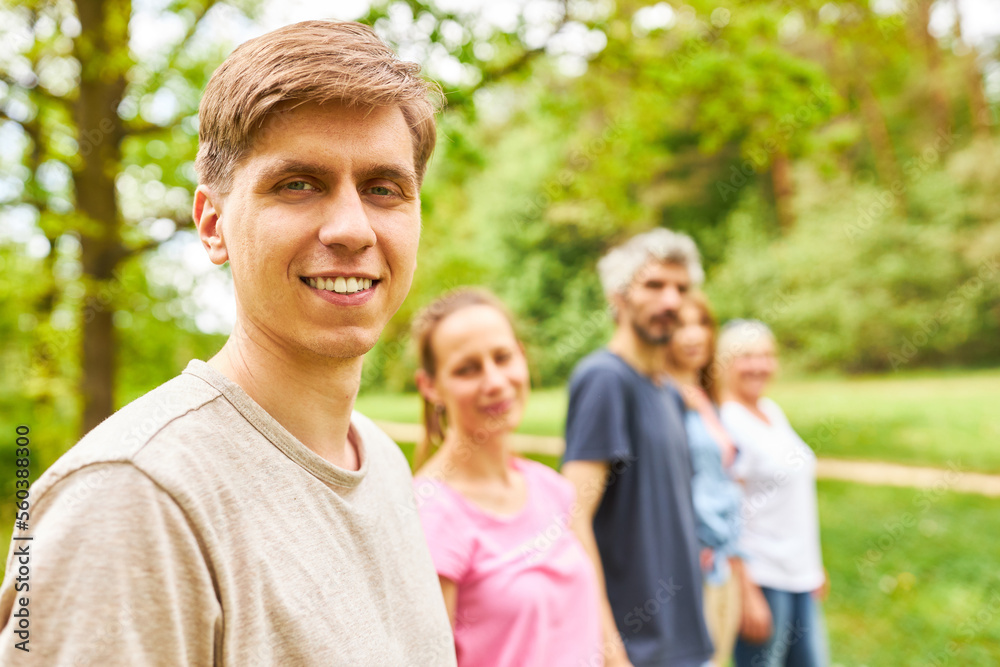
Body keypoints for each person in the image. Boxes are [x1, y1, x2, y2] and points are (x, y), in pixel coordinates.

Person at [0, 21, 456, 665]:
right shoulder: (134, 499)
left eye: (383, 188)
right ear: (212, 224)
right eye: (299, 184)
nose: (353, 228)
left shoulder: (380, 461)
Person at [410, 288, 604, 667]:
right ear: (430, 386)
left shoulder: (552, 488)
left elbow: (597, 622)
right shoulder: (431, 515)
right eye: (468, 368)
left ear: (522, 356)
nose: (495, 381)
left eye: (502, 357)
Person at [562, 228, 715, 667]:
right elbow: (574, 518)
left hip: (685, 641)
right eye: (653, 285)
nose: (670, 301)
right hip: (637, 651)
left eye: (681, 289)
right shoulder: (605, 379)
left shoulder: (667, 390)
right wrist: (612, 652)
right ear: (619, 296)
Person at [717, 320, 829, 667]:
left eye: (767, 355)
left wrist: (814, 566)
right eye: (747, 356)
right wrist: (746, 592)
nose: (759, 365)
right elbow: (726, 514)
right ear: (723, 362)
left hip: (799, 574)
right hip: (762, 577)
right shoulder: (726, 422)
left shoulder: (770, 411)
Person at [664, 291, 745, 667]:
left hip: (723, 561)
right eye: (681, 325)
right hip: (689, 565)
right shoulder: (662, 402)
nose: (694, 335)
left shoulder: (707, 398)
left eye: (702, 323)